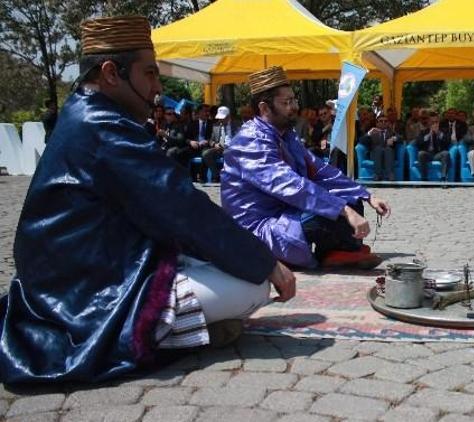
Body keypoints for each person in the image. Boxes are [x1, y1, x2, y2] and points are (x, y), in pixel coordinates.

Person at [0, 16, 296, 384]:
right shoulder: (102, 126)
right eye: (151, 74)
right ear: (111, 73)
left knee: (230, 261)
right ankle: (159, 338)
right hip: (84, 290)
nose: (158, 87)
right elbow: (183, 207)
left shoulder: (90, 113)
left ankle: (188, 326)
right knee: (251, 285)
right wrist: (265, 262)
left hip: (96, 263)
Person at [222, 66, 390, 270]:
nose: (294, 106)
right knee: (332, 210)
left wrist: (366, 195)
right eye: (286, 102)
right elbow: (291, 186)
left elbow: (319, 170)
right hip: (258, 228)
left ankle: (337, 253)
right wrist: (343, 210)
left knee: (350, 199)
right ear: (264, 108)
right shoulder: (250, 141)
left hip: (285, 212)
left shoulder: (285, 134)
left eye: (294, 100)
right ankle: (334, 252)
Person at [202, 106, 240, 182]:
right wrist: (214, 144)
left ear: (228, 116)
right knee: (206, 154)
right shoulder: (216, 126)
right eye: (219, 118)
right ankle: (217, 175)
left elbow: (241, 139)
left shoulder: (237, 125)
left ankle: (232, 177)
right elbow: (210, 140)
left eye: (222, 118)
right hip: (219, 148)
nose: (220, 120)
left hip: (232, 149)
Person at [360, 113, 400, 181]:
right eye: (381, 121)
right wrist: (369, 133)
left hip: (388, 155)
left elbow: (401, 138)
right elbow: (361, 141)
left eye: (385, 121)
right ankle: (377, 174)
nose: (383, 123)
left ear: (388, 123)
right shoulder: (372, 132)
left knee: (388, 149)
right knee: (378, 149)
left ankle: (390, 174)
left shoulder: (391, 132)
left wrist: (394, 138)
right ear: (377, 123)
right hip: (375, 155)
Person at [415, 112, 452, 182]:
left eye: (436, 122)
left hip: (438, 154)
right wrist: (429, 135)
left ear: (439, 122)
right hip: (427, 154)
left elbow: (448, 142)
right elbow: (418, 143)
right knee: (421, 154)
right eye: (432, 122)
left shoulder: (444, 131)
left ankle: (443, 177)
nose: (434, 124)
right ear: (429, 122)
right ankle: (424, 178)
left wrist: (438, 133)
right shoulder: (423, 132)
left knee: (446, 153)